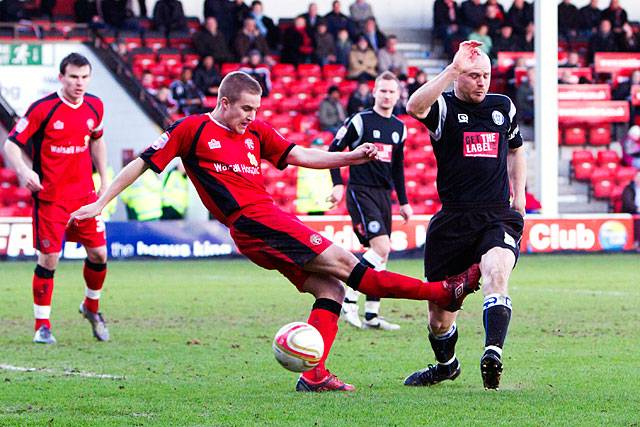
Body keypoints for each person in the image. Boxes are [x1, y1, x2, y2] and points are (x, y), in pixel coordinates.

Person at [71, 71, 481, 392]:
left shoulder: (256, 132)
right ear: (223, 101)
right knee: (348, 264)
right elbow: (141, 163)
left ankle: (314, 374)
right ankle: (444, 292)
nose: (252, 116)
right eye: (246, 108)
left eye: (256, 108)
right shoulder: (191, 130)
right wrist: (100, 201)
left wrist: (351, 156)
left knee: (332, 290)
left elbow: (300, 154)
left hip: (266, 221)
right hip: (253, 222)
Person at [403, 41, 526, 390]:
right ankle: (446, 365)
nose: (482, 82)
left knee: (497, 271)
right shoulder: (443, 106)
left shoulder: (503, 107)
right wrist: (453, 69)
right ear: (460, 76)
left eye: (486, 75)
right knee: (439, 319)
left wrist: (518, 197)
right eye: (474, 75)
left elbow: (517, 150)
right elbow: (413, 106)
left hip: (496, 215)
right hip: (453, 221)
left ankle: (492, 352)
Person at [3, 53, 111, 344]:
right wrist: (24, 170)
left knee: (100, 254)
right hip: (51, 199)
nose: (79, 83)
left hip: (85, 197)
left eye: (85, 77)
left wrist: (104, 177)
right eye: (74, 77)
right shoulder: (43, 109)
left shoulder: (95, 106)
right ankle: (42, 326)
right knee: (50, 258)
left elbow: (98, 140)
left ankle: (91, 307)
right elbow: (11, 144)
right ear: (61, 77)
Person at [327, 71, 412, 330]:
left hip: (384, 195)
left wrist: (404, 202)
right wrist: (338, 184)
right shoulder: (360, 121)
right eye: (382, 90)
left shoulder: (400, 128)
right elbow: (334, 150)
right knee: (381, 248)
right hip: (361, 190)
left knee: (379, 256)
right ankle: (348, 301)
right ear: (374, 92)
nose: (387, 95)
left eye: (391, 91)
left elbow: (398, 168)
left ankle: (372, 315)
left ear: (398, 95)